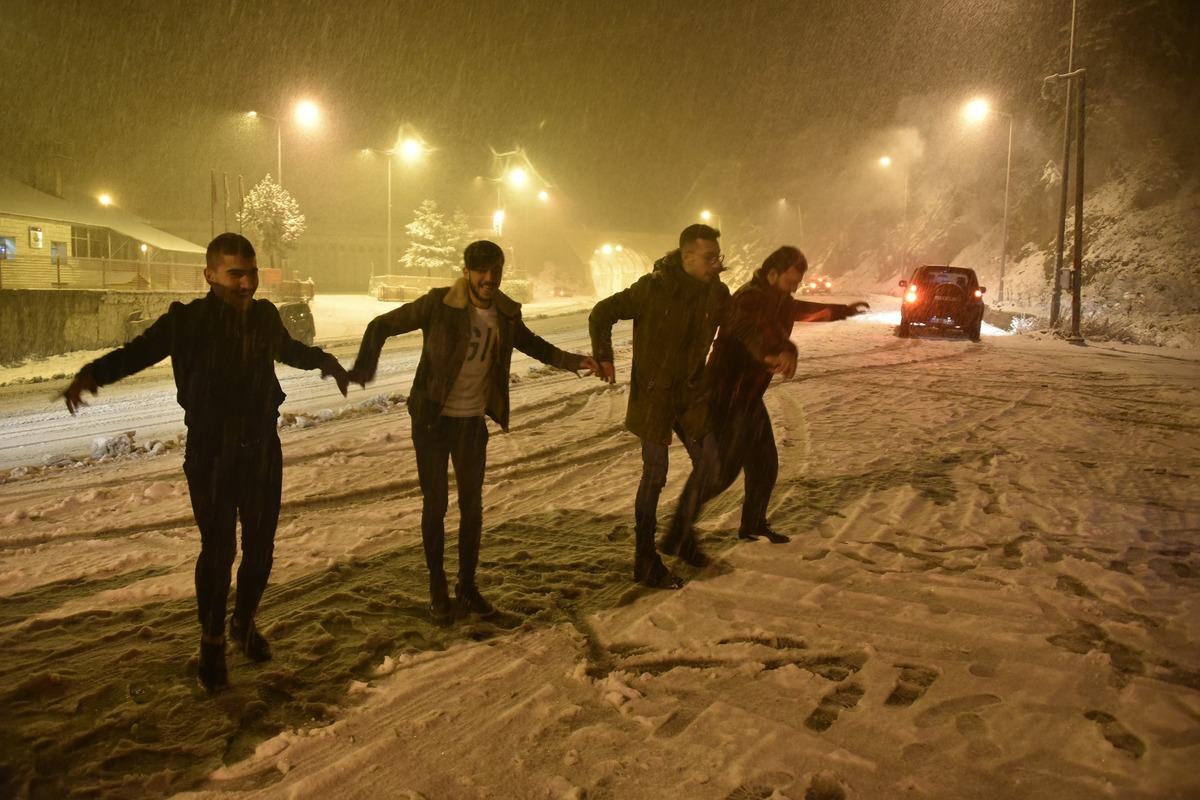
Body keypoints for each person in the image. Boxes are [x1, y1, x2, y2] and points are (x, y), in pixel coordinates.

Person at [61, 233, 350, 693]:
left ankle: (243, 623)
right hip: (211, 452)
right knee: (218, 553)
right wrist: (91, 375)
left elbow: (287, 349)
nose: (246, 284)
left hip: (260, 448)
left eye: (251, 273)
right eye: (236, 274)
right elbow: (136, 353)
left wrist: (325, 361)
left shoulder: (264, 316)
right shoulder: (186, 322)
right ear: (210, 274)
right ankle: (212, 642)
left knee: (261, 549)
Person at [349, 240, 598, 623]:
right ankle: (437, 587)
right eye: (480, 271)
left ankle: (467, 588)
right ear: (466, 272)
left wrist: (573, 361)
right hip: (432, 420)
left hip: (471, 422)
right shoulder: (438, 303)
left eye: (495, 270)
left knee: (472, 508)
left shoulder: (505, 313)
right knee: (436, 505)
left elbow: (534, 345)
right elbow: (381, 324)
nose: (488, 278)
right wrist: (365, 366)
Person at [589, 224, 730, 588]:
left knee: (711, 462)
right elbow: (601, 312)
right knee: (655, 475)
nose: (716, 263)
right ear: (686, 257)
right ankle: (645, 559)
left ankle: (681, 534)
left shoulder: (717, 293)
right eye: (709, 257)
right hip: (654, 395)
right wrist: (604, 356)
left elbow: (739, 329)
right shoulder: (652, 289)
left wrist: (774, 348)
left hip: (690, 394)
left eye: (718, 256)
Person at [701, 246, 869, 542]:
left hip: (747, 397)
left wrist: (843, 311)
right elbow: (766, 333)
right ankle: (679, 524)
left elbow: (806, 310)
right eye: (790, 281)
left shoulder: (779, 299)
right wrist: (786, 350)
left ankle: (752, 525)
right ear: (772, 274)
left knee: (764, 464)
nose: (793, 288)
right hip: (728, 395)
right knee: (722, 473)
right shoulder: (751, 298)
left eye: (797, 283)